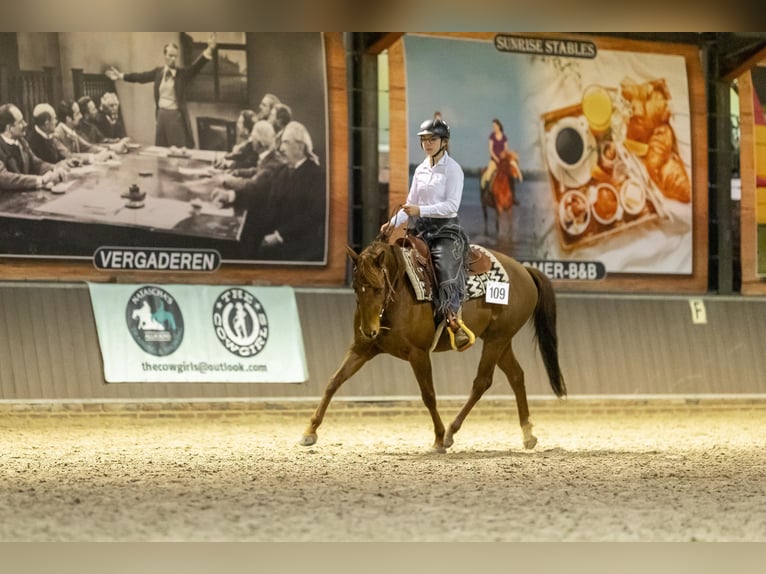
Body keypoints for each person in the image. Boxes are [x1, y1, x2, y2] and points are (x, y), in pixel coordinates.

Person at [380, 117, 474, 352]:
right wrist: (392, 223)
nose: (427, 143)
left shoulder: (454, 170)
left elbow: (451, 206)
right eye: (424, 139)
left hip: (445, 231)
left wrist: (420, 210)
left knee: (443, 267)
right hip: (421, 230)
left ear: (444, 142)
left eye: (432, 139)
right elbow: (410, 203)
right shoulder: (421, 169)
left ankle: (453, 319)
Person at [105, 34, 217, 148]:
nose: (173, 59)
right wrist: (121, 76)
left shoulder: (181, 74)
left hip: (175, 117)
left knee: (177, 152)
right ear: (165, 55)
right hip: (160, 116)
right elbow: (141, 77)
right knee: (160, 150)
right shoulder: (158, 73)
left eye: (175, 56)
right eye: (170, 55)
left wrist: (209, 50)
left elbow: (195, 68)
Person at [211, 120, 287, 258]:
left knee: (224, 231)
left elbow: (253, 186)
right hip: (260, 207)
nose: (251, 142)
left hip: (264, 220)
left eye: (253, 139)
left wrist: (226, 180)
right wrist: (237, 173)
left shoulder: (274, 163)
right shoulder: (269, 156)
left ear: (259, 143)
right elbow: (256, 171)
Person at [257, 120, 325, 262]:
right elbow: (261, 193)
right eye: (281, 143)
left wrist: (279, 235)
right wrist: (231, 196)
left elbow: (313, 216)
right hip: (270, 239)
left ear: (300, 147)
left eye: (286, 143)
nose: (280, 148)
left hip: (298, 247)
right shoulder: (281, 170)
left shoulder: (316, 175)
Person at [0, 103, 67, 190]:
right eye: (20, 122)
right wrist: (41, 180)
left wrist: (55, 168)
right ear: (9, 128)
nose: (25, 124)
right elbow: (4, 178)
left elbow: (37, 164)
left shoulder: (22, 142)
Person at [52, 100, 117, 162]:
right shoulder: (57, 135)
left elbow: (88, 147)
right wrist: (95, 157)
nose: (81, 116)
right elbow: (69, 156)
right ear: (68, 119)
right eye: (77, 114)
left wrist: (107, 152)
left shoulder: (71, 130)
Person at [481, 118, 521, 190]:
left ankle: (513, 194)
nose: (494, 128)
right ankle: (487, 193)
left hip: (503, 161)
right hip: (494, 161)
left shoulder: (504, 137)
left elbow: (506, 149)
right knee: (488, 175)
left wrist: (504, 155)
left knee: (511, 172)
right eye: (493, 126)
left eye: (495, 126)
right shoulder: (492, 136)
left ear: (499, 126)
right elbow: (490, 150)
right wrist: (496, 158)